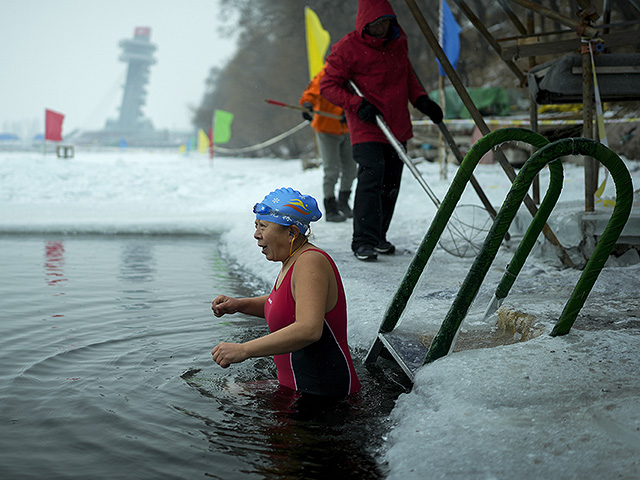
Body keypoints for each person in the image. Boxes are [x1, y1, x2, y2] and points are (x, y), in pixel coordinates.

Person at [320, 0, 443, 261]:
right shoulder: (347, 48)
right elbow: (327, 86)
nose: (383, 28)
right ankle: (363, 241)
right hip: (367, 126)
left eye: (387, 22)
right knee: (371, 177)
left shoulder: (399, 42)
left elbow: (407, 75)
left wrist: (421, 100)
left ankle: (378, 236)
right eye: (376, 24)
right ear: (365, 24)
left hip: (397, 125)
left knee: (391, 184)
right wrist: (357, 104)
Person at [211, 187, 362, 399]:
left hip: (324, 398)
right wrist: (239, 305)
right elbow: (284, 305)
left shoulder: (310, 262)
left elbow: (309, 329)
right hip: (298, 388)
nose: (256, 234)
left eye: (263, 226)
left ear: (292, 232)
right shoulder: (292, 260)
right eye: (256, 226)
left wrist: (243, 350)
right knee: (227, 392)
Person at [300, 63, 357, 223]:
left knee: (351, 169)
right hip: (326, 128)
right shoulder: (325, 73)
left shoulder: (354, 73)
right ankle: (330, 208)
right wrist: (307, 104)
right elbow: (310, 93)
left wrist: (351, 112)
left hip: (347, 128)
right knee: (332, 170)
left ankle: (343, 202)